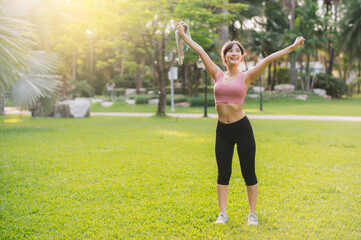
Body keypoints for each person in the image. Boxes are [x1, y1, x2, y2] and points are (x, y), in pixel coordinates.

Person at [176, 22, 305, 225]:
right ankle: (223, 214)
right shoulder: (217, 74)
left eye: (238, 51)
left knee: (249, 172)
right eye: (230, 51)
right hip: (222, 131)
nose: (234, 53)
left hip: (242, 129)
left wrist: (292, 47)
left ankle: (252, 214)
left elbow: (269, 58)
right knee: (223, 173)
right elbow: (200, 51)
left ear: (242, 57)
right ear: (224, 57)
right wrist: (183, 36)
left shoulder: (247, 77)